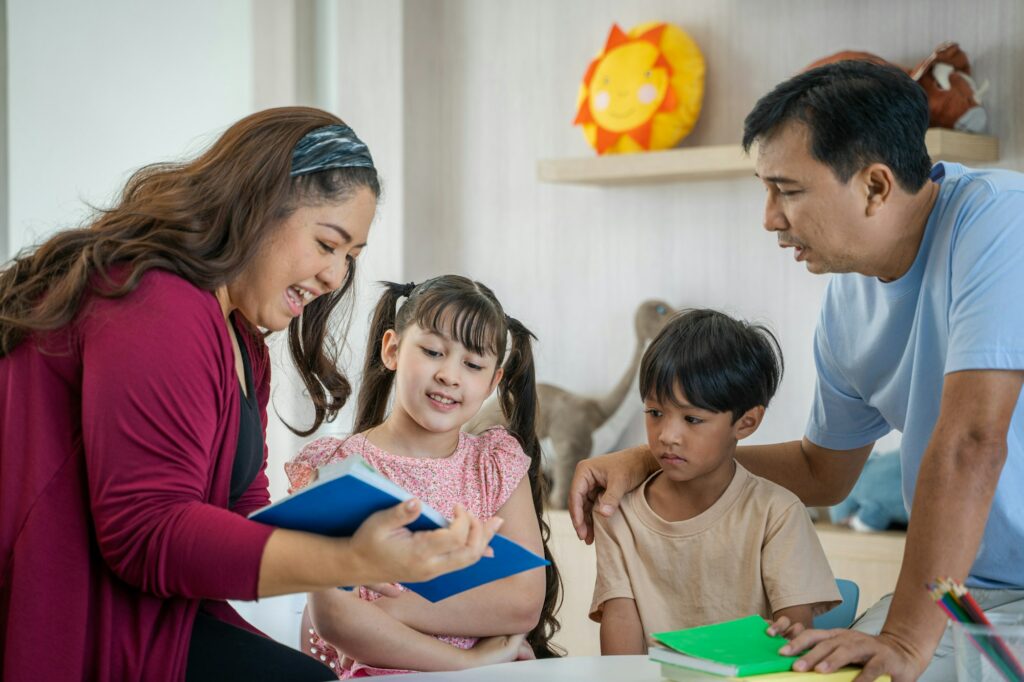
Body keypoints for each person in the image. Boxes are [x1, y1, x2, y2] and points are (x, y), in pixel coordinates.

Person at [0, 108, 500, 682]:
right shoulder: (157, 303)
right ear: (259, 205)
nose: (336, 276)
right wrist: (347, 557)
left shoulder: (243, 343)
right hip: (74, 619)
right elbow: (146, 533)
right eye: (327, 244)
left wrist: (375, 538)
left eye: (350, 259)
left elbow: (240, 512)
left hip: (153, 618)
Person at [569, 60, 1024, 682]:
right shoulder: (850, 294)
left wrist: (905, 642)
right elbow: (823, 472)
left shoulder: (1002, 224)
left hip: (994, 600)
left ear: (874, 186)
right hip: (960, 592)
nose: (769, 217)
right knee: (812, 675)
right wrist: (648, 458)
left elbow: (972, 443)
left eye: (787, 189)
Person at [284, 275, 562, 677]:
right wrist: (468, 657)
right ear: (393, 349)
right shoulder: (336, 467)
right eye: (433, 352)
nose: (450, 375)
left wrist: (390, 612)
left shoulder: (495, 465)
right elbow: (335, 617)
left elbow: (522, 602)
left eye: (472, 364)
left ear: (491, 383)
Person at [592, 309, 839, 655]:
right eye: (655, 413)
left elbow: (792, 640)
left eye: (692, 418)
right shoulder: (618, 511)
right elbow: (621, 649)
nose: (668, 436)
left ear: (747, 422)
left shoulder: (778, 513)